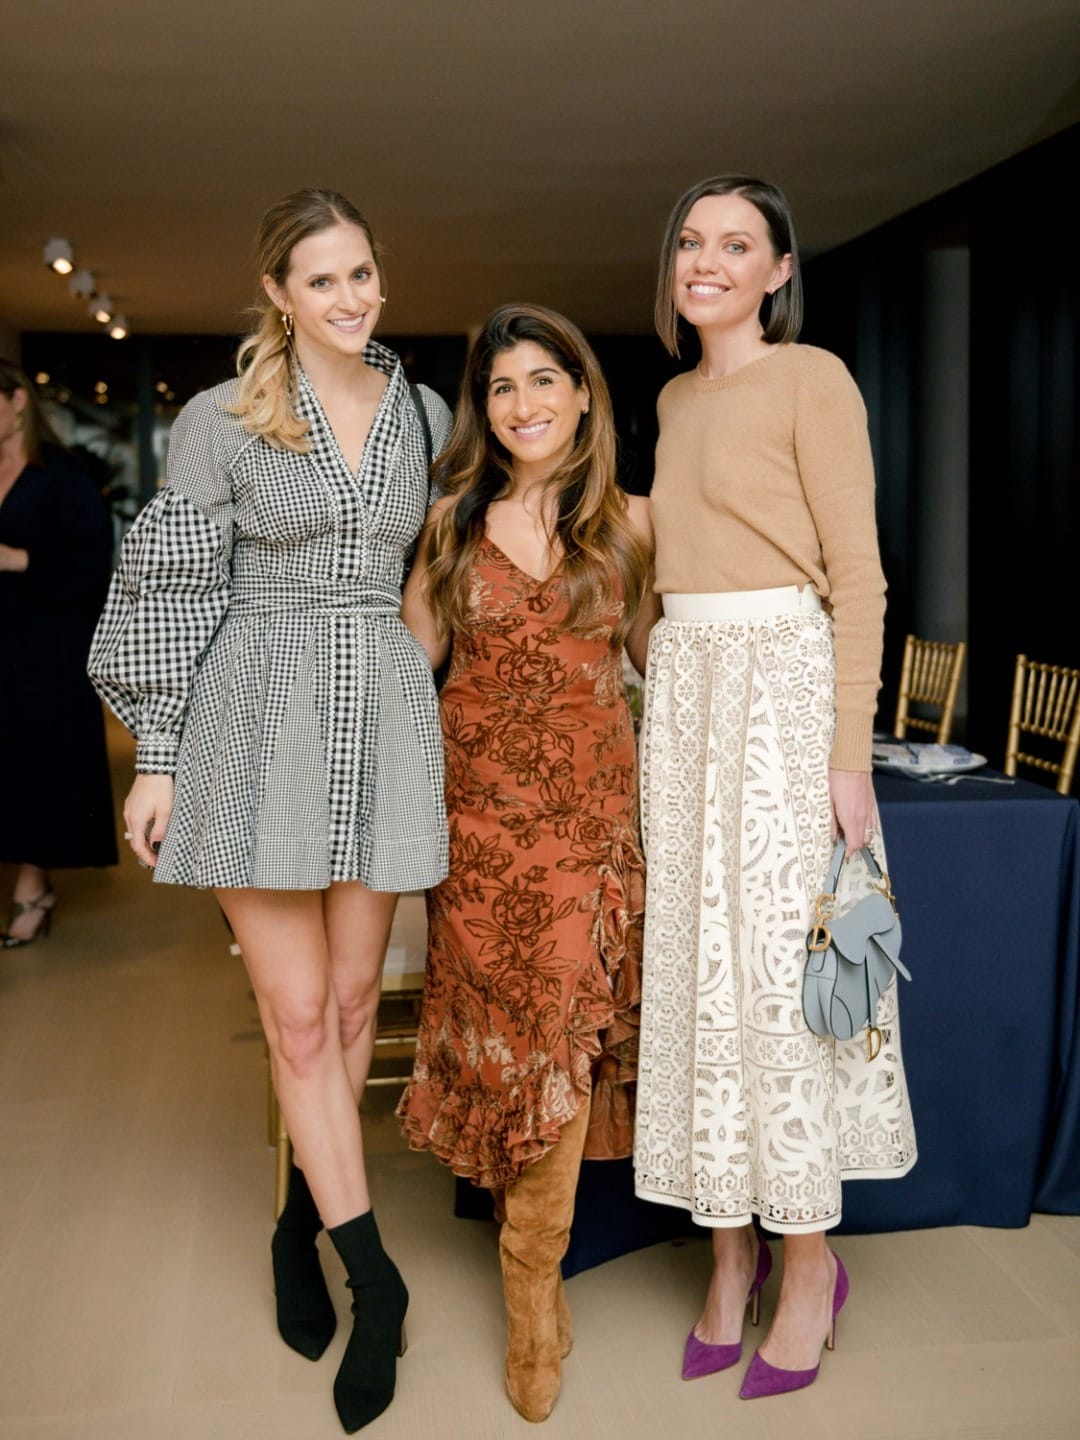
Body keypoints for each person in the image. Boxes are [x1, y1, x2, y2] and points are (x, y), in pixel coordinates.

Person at [88, 189, 451, 1435]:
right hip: (258, 713)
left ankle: (302, 1225)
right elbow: (173, 586)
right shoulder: (217, 421)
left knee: (353, 1007)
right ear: (279, 298)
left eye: (365, 274)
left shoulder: (426, 413)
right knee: (297, 1020)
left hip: (384, 713)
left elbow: (428, 584)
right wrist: (159, 755)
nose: (353, 299)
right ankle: (377, 1280)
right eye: (325, 281)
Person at [632, 176, 917, 1400]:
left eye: (735, 244)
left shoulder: (815, 380)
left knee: (776, 980)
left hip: (786, 692)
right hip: (688, 690)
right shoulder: (672, 396)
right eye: (692, 241)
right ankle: (728, 1250)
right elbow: (675, 568)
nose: (707, 260)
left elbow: (859, 577)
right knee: (696, 970)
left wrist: (848, 753)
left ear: (778, 271)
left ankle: (809, 1262)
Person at [398, 304, 659, 1422]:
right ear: (484, 409)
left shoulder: (636, 528)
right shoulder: (447, 527)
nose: (525, 404)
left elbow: (668, 674)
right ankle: (535, 1287)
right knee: (512, 1063)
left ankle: (528, 1296)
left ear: (586, 393)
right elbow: (409, 683)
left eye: (545, 379)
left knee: (556, 1048)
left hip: (590, 840)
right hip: (477, 841)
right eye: (503, 387)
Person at [1, 360, 117, 945]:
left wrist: (18, 560)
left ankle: (32, 884)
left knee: (35, 763)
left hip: (44, 650)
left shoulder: (64, 477)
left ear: (18, 400)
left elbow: (96, 569)